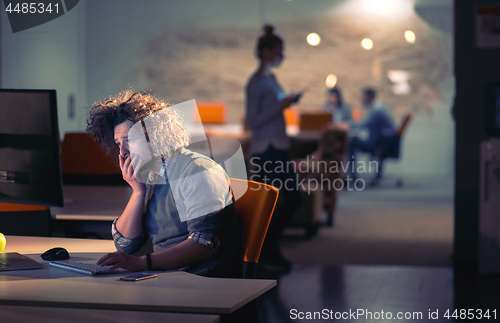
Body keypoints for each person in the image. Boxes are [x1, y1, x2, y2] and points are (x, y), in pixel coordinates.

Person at [86, 91, 240, 278]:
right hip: (165, 276)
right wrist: (137, 193)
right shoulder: (149, 174)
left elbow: (203, 245)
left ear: (155, 136)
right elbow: (126, 244)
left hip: (199, 282)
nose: (122, 152)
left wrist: (143, 263)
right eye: (118, 144)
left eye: (129, 141)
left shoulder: (197, 171)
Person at [245, 24, 302, 272]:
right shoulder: (255, 82)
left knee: (292, 198)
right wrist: (281, 106)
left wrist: (286, 102)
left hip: (277, 146)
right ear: (266, 51)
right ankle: (264, 250)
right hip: (265, 148)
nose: (282, 56)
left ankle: (268, 248)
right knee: (273, 202)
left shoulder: (271, 79)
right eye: (279, 51)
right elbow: (253, 121)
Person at [349, 87, 395, 180]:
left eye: (364, 97)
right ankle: (352, 176)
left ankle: (352, 177)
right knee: (353, 141)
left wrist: (345, 125)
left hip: (380, 144)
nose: (362, 99)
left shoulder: (375, 111)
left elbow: (362, 126)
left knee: (351, 144)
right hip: (383, 142)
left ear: (370, 97)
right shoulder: (378, 107)